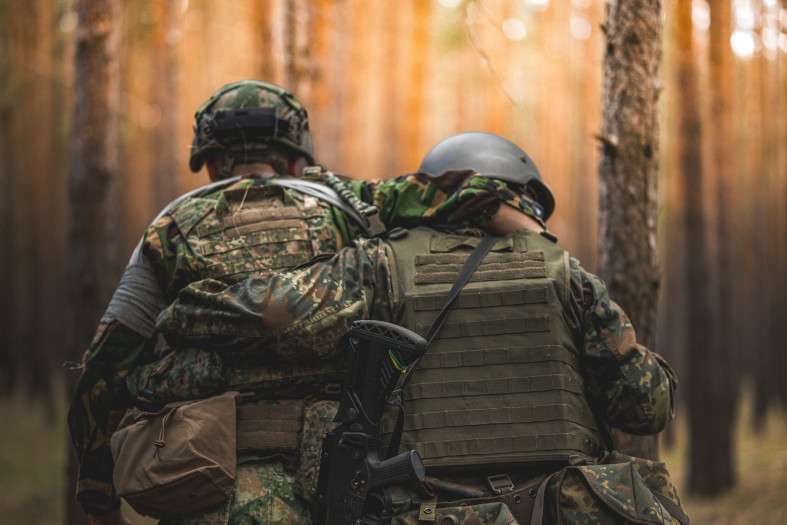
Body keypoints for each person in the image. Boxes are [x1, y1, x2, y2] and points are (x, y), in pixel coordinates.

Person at [156, 132, 682, 524]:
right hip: (560, 509)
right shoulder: (568, 275)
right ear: (522, 200)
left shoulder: (378, 264)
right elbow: (646, 406)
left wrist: (182, 310)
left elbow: (271, 315)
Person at [67, 81, 524, 525]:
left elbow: (103, 372)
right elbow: (472, 195)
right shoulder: (350, 205)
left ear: (208, 160)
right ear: (294, 155)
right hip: (337, 488)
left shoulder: (170, 229)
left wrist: (99, 500)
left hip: (201, 484)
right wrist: (535, 237)